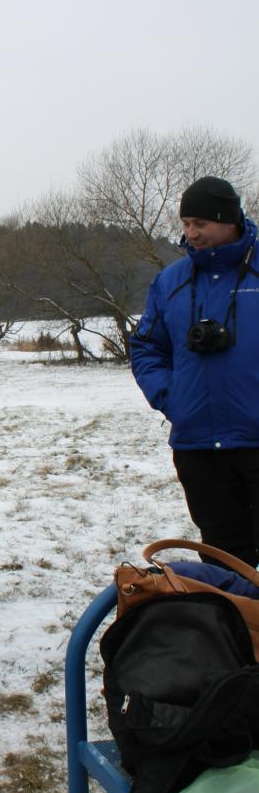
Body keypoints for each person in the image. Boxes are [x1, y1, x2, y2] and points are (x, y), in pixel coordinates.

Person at [130, 176, 259, 565]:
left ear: (229, 219)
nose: (191, 233)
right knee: (224, 563)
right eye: (186, 224)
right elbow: (147, 347)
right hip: (198, 448)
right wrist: (172, 399)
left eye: (200, 223)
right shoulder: (170, 281)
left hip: (255, 439)